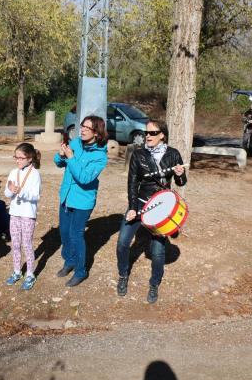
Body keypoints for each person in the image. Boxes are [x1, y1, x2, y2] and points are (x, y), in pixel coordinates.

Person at [116, 120, 187, 303]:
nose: (148, 136)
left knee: (157, 252)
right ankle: (123, 275)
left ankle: (154, 284)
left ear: (162, 135)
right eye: (146, 132)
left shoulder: (173, 154)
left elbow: (181, 183)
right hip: (139, 203)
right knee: (123, 243)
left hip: (162, 207)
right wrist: (132, 208)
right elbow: (132, 183)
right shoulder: (139, 155)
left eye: (153, 133)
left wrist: (180, 175)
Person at [54, 115, 108, 287]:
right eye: (82, 126)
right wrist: (61, 155)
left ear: (97, 133)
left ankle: (80, 270)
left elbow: (84, 178)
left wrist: (70, 158)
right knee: (64, 232)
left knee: (75, 235)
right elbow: (58, 162)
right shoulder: (76, 143)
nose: (82, 130)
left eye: (87, 128)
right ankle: (69, 261)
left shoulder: (100, 157)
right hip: (66, 196)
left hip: (83, 201)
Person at [4, 143, 42, 290]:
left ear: (30, 158)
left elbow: (35, 196)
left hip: (27, 215)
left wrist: (21, 191)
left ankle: (30, 274)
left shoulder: (35, 174)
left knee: (26, 244)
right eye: (16, 157)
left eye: (21, 158)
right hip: (14, 213)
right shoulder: (14, 172)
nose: (18, 160)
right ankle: (16, 271)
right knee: (15, 244)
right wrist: (11, 190)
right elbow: (7, 193)